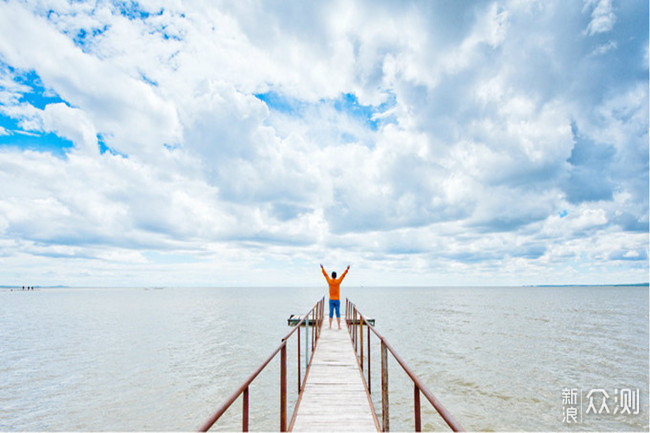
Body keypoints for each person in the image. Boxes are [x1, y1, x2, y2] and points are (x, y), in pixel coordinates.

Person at [320, 264, 350, 330]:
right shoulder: (338, 281)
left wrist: (322, 268)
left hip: (331, 299)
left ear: (331, 276)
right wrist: (347, 269)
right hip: (337, 300)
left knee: (331, 312)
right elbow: (343, 276)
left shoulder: (330, 281)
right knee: (338, 312)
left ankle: (330, 326)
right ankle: (339, 326)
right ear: (336, 276)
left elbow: (325, 275)